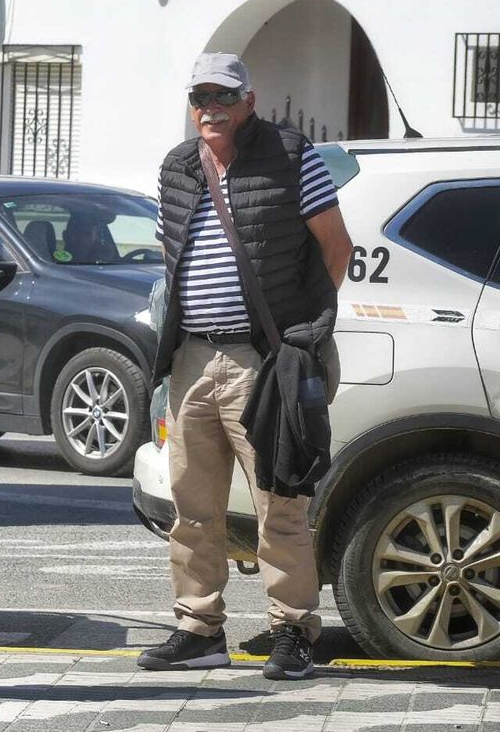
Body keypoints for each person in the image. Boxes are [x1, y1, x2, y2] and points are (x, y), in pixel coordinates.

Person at [139, 53, 352, 681]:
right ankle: (199, 628)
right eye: (201, 97)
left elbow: (335, 246)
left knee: (280, 502)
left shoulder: (290, 156)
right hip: (192, 358)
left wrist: (304, 333)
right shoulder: (178, 167)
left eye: (223, 97)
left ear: (249, 102)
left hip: (263, 360)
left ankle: (293, 631)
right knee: (191, 505)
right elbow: (170, 256)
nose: (211, 108)